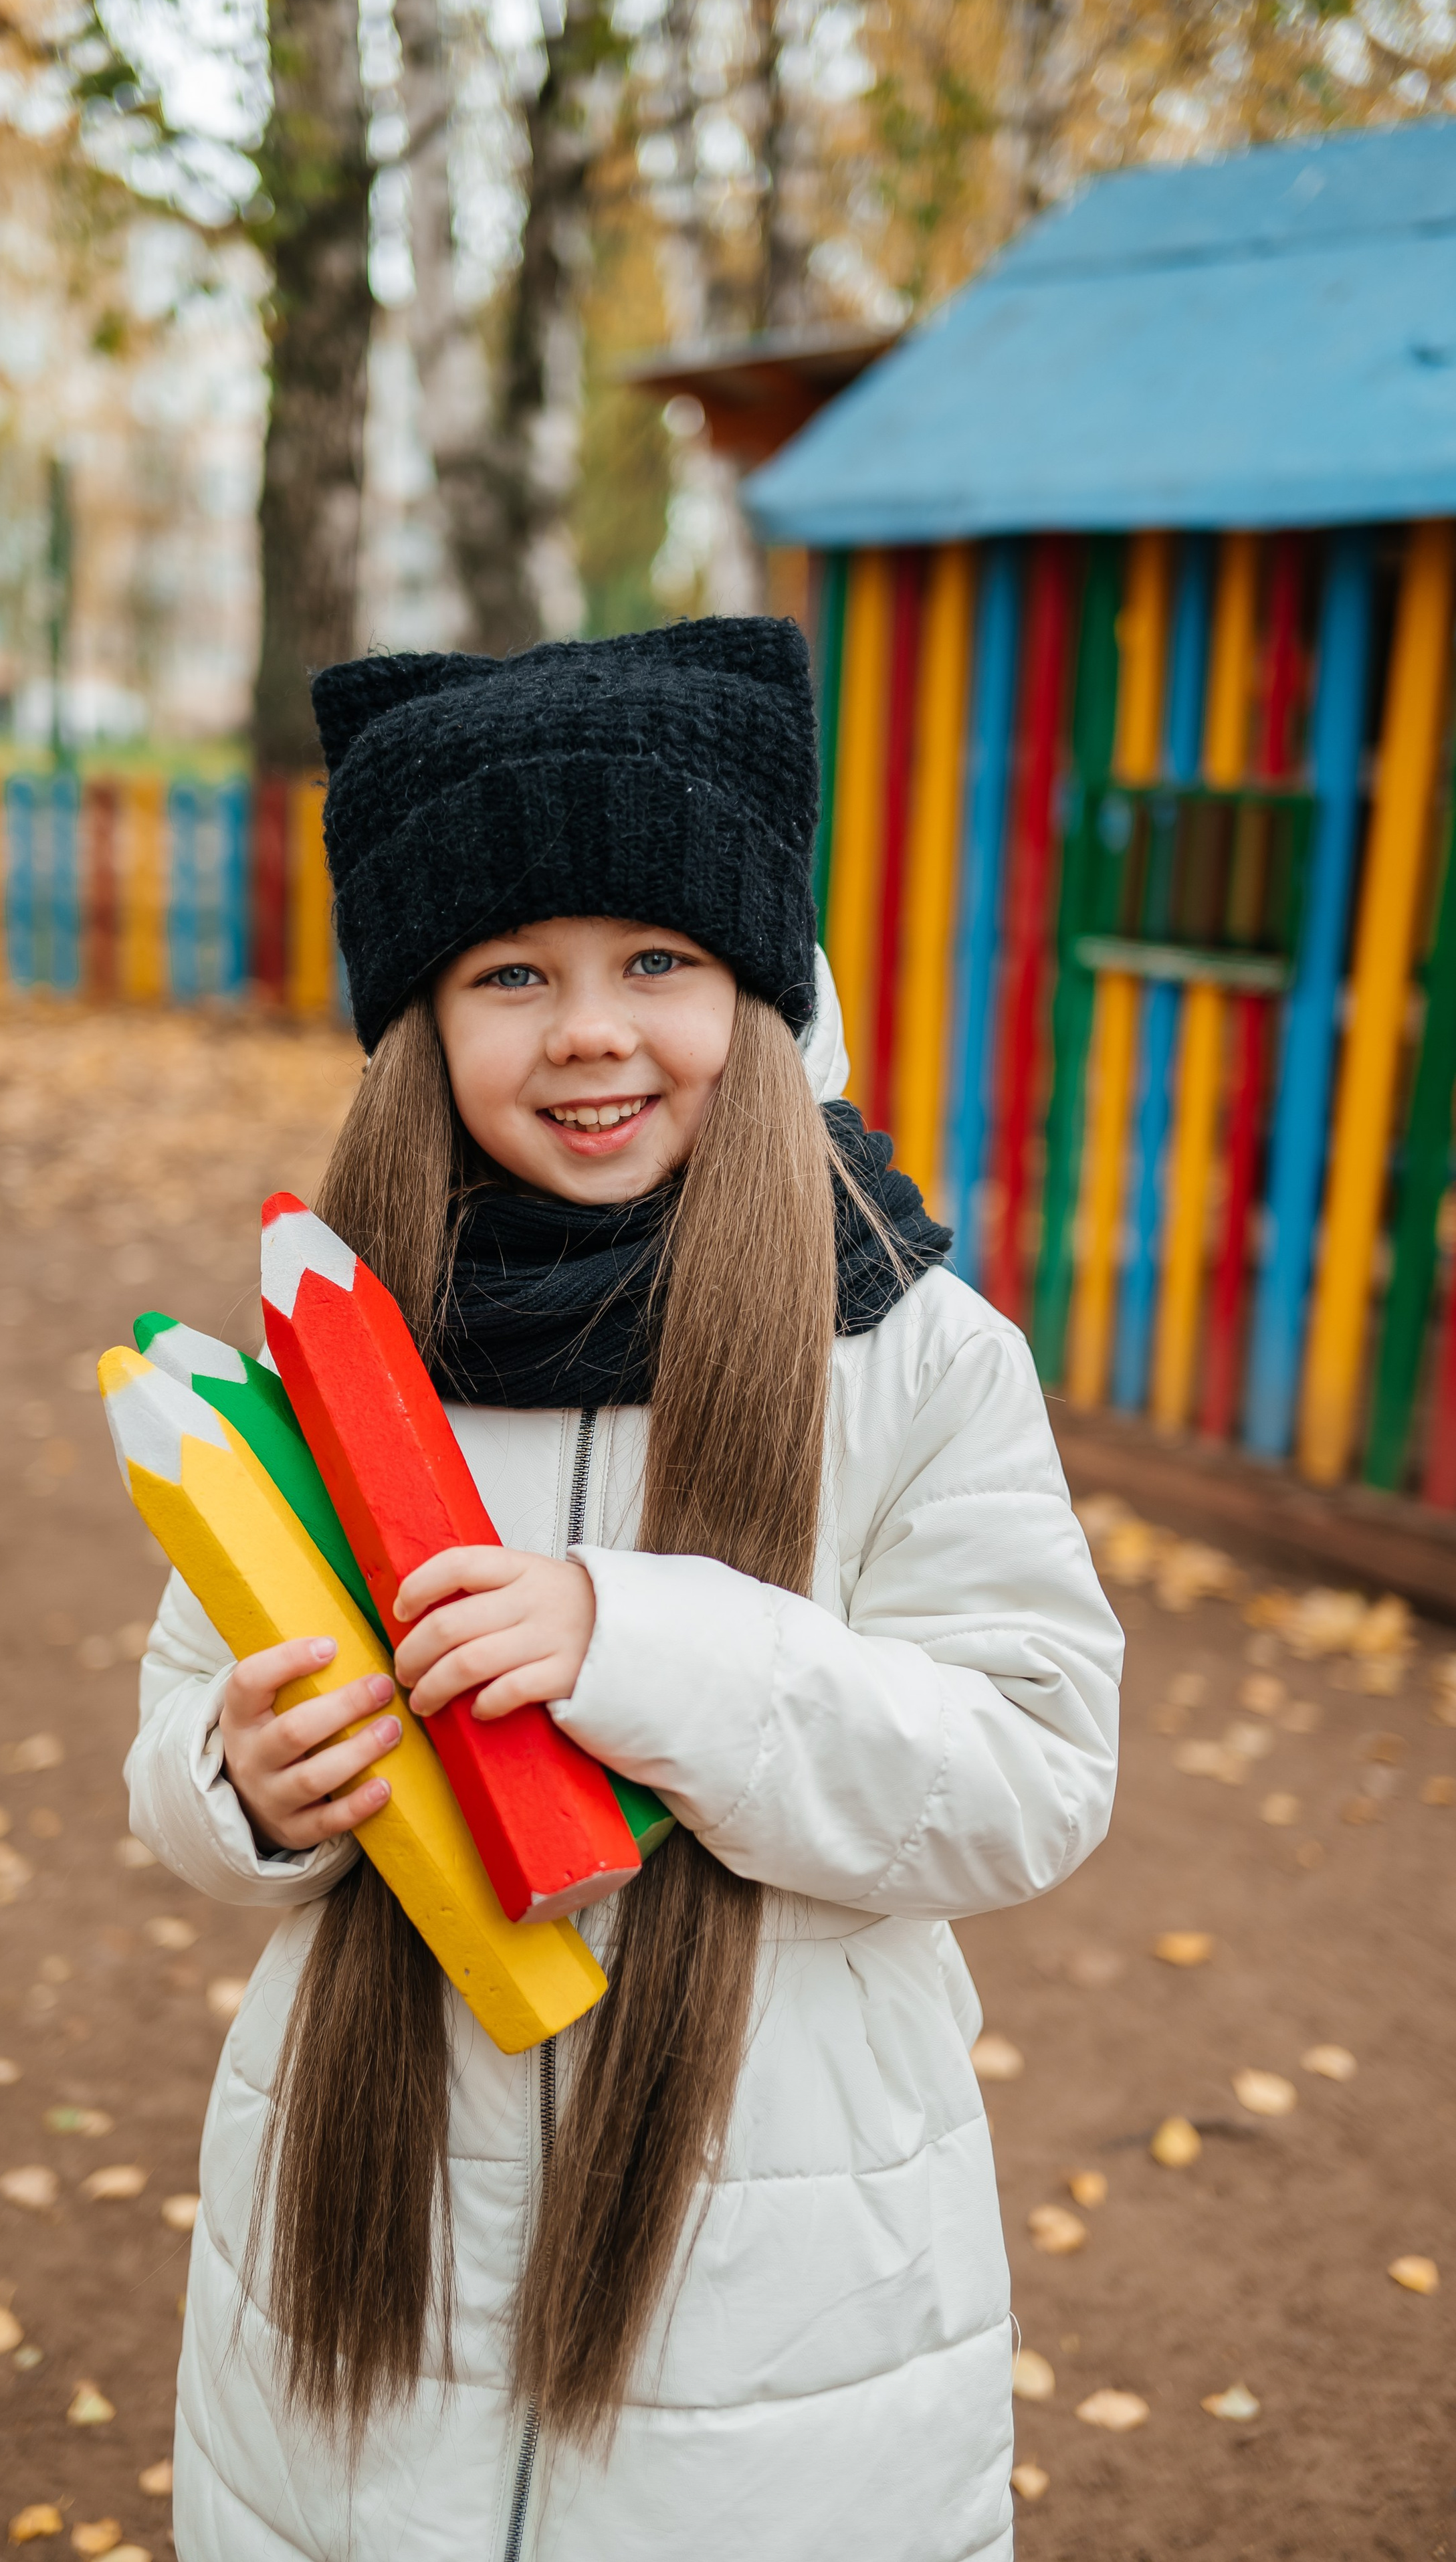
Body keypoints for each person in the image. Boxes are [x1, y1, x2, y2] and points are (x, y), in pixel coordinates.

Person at [128, 616, 1122, 2562]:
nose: (590, 1027)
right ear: (422, 1019)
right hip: (361, 2278)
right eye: (514, 973)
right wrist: (242, 1782)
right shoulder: (341, 1342)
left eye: (656, 958)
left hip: (778, 2321)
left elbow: (1032, 1771)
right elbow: (180, 1730)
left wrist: (649, 1645)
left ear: (757, 984)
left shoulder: (913, 1354)